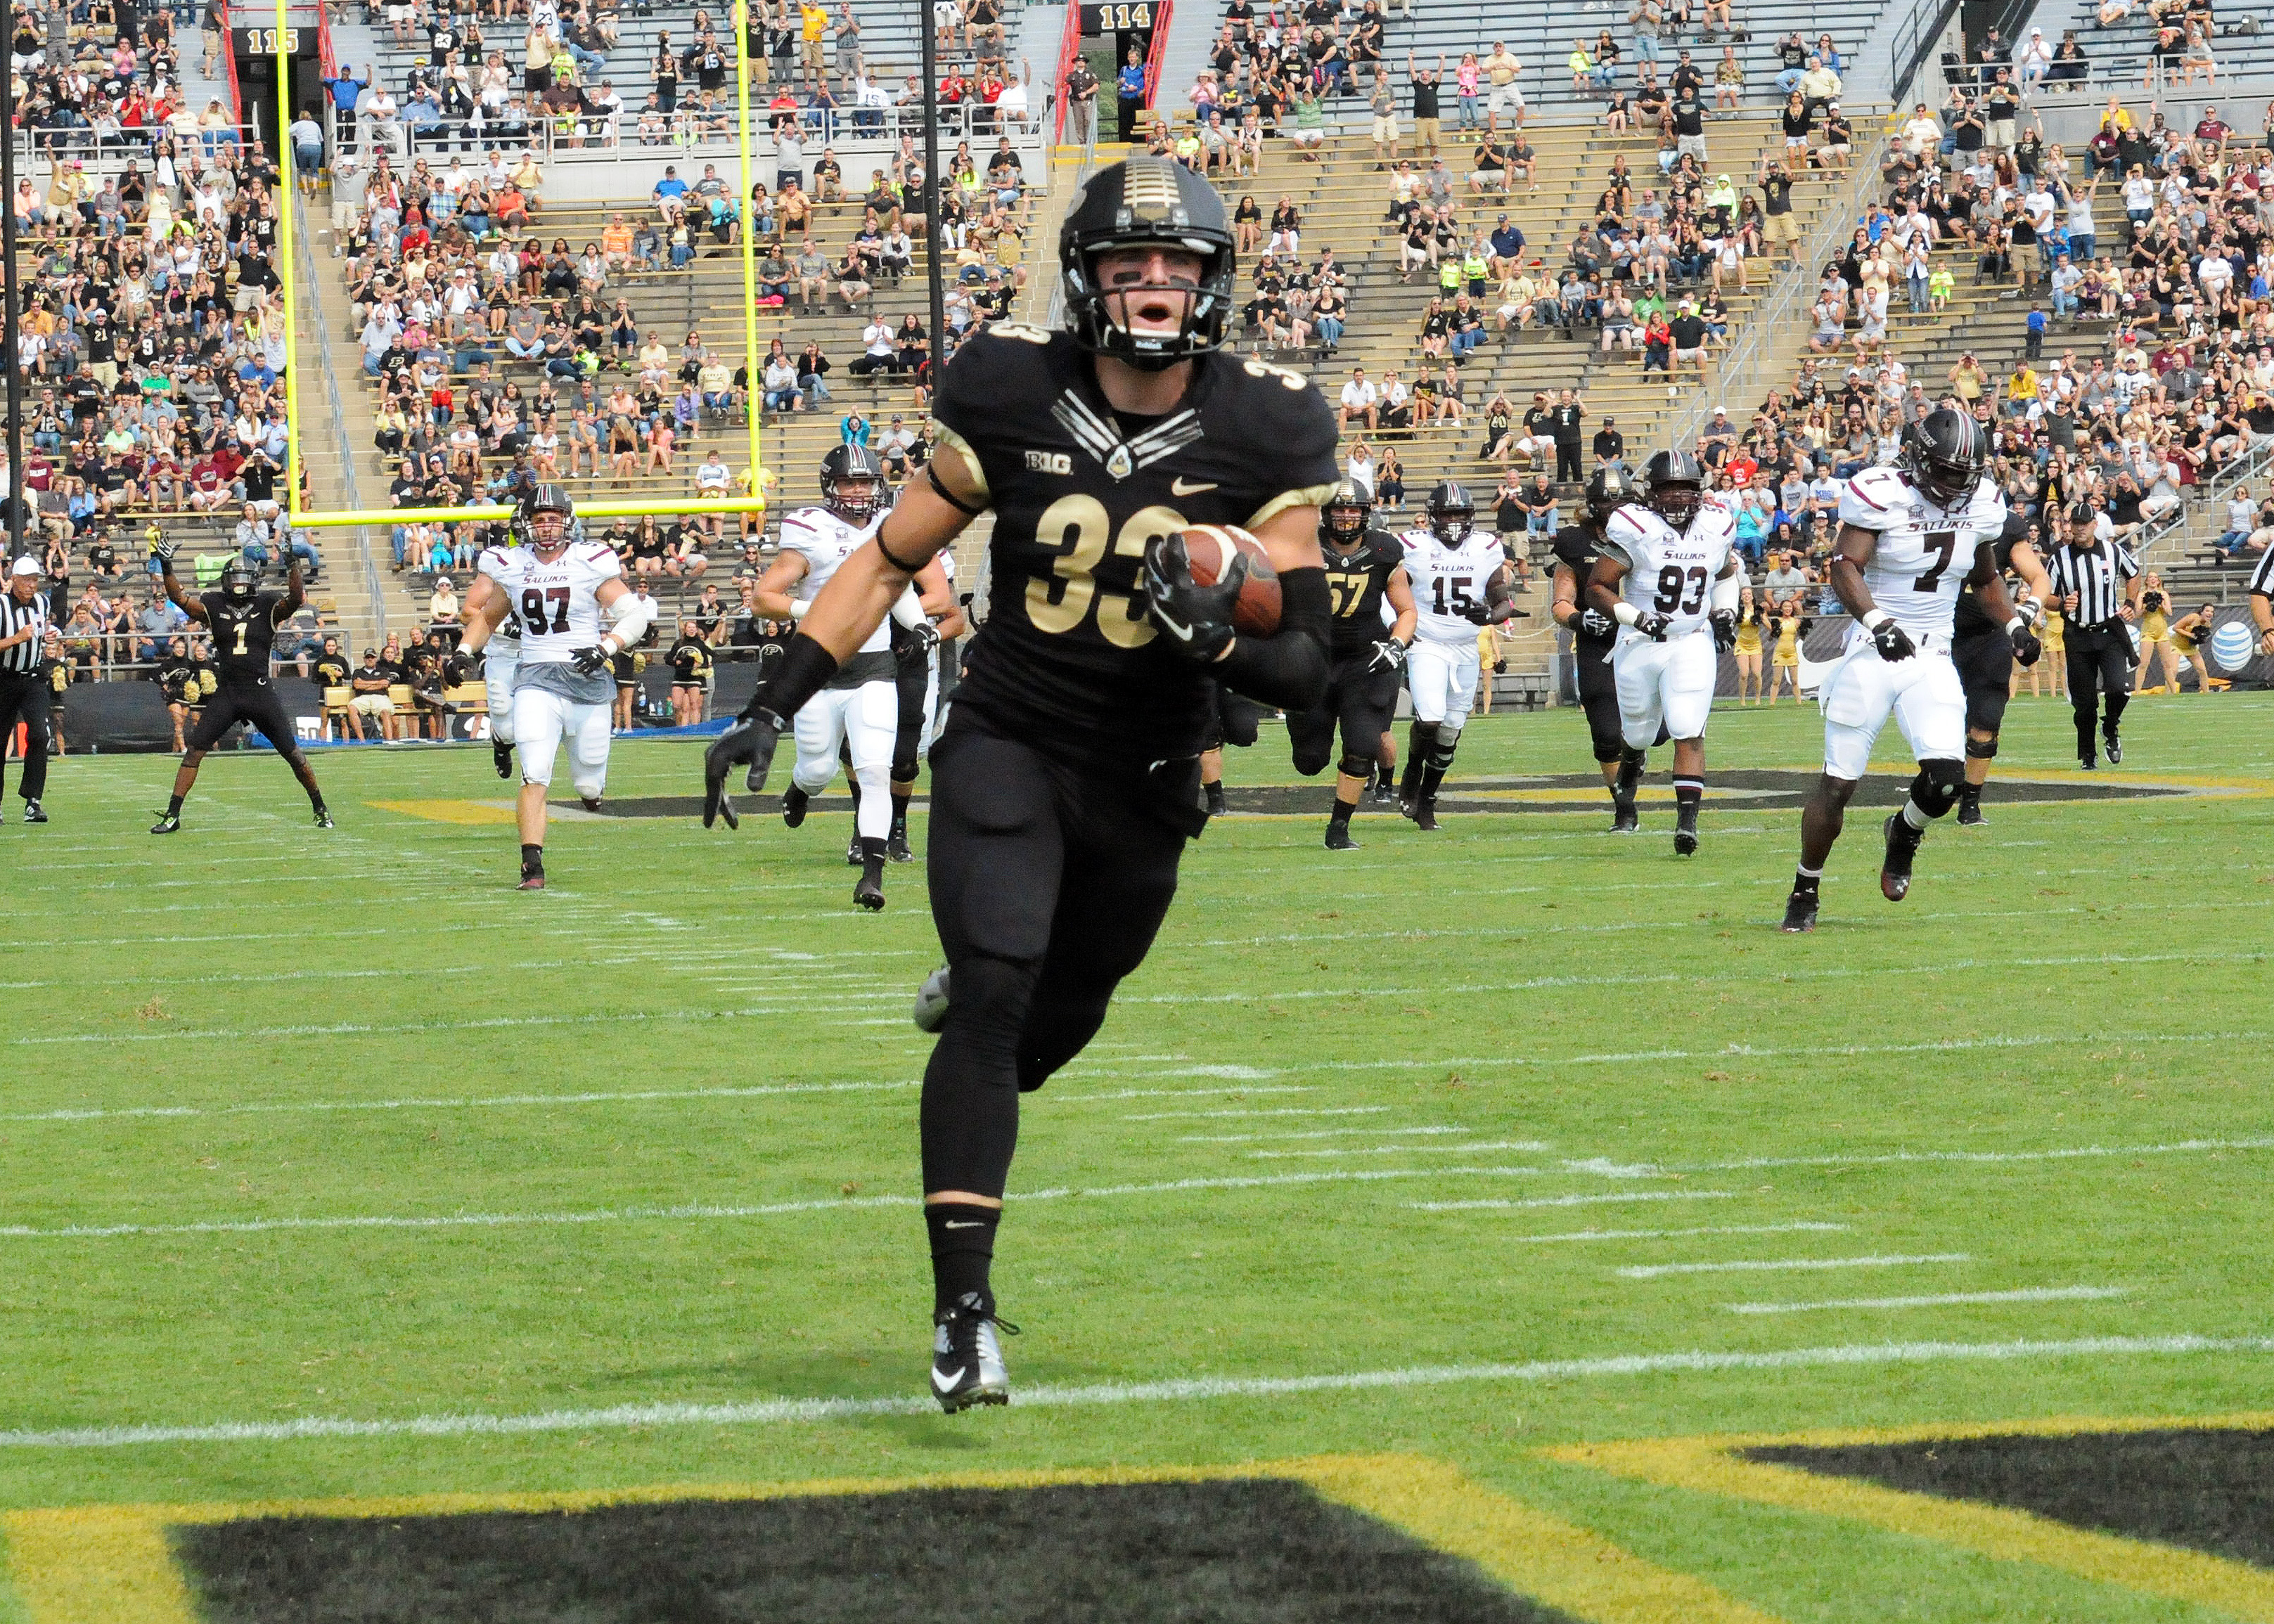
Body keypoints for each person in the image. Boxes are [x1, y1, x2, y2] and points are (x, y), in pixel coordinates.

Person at [698, 157, 1338, 1413]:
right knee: (995, 995)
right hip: (1009, 736)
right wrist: (772, 700)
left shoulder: (1267, 425)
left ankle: (993, 996)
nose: (1152, 286)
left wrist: (1217, 638)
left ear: (1210, 283)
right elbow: (888, 560)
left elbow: (1307, 667)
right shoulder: (1007, 390)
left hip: (1146, 768)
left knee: (1058, 1015)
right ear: (1085, 276)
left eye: (1176, 266)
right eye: (1126, 263)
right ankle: (961, 1310)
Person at [1781, 411, 2035, 932]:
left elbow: (1985, 579)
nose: (1954, 484)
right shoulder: (1881, 492)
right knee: (1838, 784)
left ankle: (1903, 833)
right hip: (1873, 651)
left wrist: (2013, 628)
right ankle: (1806, 886)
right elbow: (1844, 565)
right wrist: (1877, 621)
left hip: (1932, 653)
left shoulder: (1981, 503)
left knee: (1947, 780)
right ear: (1918, 457)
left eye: (1963, 473)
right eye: (1944, 471)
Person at [743, 446, 941, 910]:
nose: (859, 491)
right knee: (818, 767)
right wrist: (814, 610)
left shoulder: (888, 527)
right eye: (850, 482)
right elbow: (764, 598)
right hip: (821, 668)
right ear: (830, 486)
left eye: (866, 482)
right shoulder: (810, 529)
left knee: (875, 771)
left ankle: (872, 877)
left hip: (874, 666)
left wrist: (920, 626)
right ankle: (801, 789)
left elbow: (894, 588)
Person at [449, 484, 653, 888]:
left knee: (588, 780)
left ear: (567, 521)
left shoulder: (589, 560)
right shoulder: (513, 565)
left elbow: (634, 614)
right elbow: (487, 617)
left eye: (553, 519)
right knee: (535, 772)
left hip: (587, 678)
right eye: (539, 520)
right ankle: (532, 864)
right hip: (536, 676)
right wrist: (464, 652)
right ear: (527, 525)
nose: (546, 527)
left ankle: (592, 792)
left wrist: (606, 647)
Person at [1586, 450, 1740, 853]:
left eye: (1685, 489)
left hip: (1691, 639)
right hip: (1640, 643)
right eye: (1668, 490)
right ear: (1650, 493)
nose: (1677, 498)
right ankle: (1633, 763)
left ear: (1699, 492)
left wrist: (1725, 611)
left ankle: (1687, 822)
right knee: (1637, 731)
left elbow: (1726, 573)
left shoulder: (1716, 525)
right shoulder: (1635, 528)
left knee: (1688, 727)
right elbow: (1597, 588)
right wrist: (1635, 618)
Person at [148, 547, 333, 835]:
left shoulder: (268, 603)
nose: (238, 582)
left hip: (259, 691)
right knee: (194, 751)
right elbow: (178, 599)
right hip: (229, 692)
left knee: (293, 754)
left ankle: (320, 807)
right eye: (234, 576)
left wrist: (293, 566)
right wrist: (167, 564)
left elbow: (297, 598)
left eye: (243, 576)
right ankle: (173, 814)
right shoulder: (213, 603)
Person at [1287, 482, 1416, 849]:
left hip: (1365, 659)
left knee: (1362, 744)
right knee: (1309, 761)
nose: (1346, 516)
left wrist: (1397, 644)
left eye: (1354, 509)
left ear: (1366, 511)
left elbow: (1406, 610)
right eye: (1339, 509)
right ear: (1325, 513)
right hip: (1314, 659)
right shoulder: (1304, 546)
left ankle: (1338, 830)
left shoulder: (1385, 550)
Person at [1397, 481, 1520, 829]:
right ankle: (1411, 770)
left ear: (1470, 516)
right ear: (1433, 516)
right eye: (1447, 513)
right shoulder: (1415, 546)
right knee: (1431, 717)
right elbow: (1391, 588)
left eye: (1459, 513)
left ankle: (1428, 799)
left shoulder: (1486, 548)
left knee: (1452, 727)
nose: (1453, 521)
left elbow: (1503, 602)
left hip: (1466, 646)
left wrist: (1489, 616)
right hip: (1427, 642)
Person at [1550, 466, 1640, 825]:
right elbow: (1561, 601)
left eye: (1622, 500)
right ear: (1593, 505)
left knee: (1660, 728)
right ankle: (1624, 808)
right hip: (1597, 642)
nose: (1615, 507)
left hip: (1645, 639)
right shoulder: (1575, 540)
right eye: (1608, 501)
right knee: (1605, 734)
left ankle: (1636, 756)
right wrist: (1578, 619)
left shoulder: (1649, 533)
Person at [1951, 512, 2051, 825]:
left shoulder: (2003, 523)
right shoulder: (1936, 517)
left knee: (1988, 719)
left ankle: (1970, 804)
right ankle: (1940, 784)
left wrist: (2027, 612)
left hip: (1991, 633)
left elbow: (2039, 577)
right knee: (1941, 722)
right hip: (1938, 634)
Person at [2043, 498, 2141, 771]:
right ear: (2070, 526)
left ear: (2095, 525)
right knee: (2084, 702)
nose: (2081, 528)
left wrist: (2131, 603)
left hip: (2110, 631)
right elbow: (2045, 595)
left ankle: (2110, 728)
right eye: (2076, 523)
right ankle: (2088, 754)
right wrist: (2061, 604)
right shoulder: (2060, 559)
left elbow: (2133, 575)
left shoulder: (2112, 551)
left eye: (2085, 524)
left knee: (2118, 689)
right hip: (2077, 635)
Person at [0, 558, 55, 823]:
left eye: (35, 580)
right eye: (27, 580)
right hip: (3, 679)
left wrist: (49, 635)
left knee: (39, 734)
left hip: (33, 678)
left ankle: (32, 801)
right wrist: (16, 639)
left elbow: (41, 632)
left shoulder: (43, 603)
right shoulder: (0, 606)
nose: (32, 585)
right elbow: (18, 638)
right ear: (14, 580)